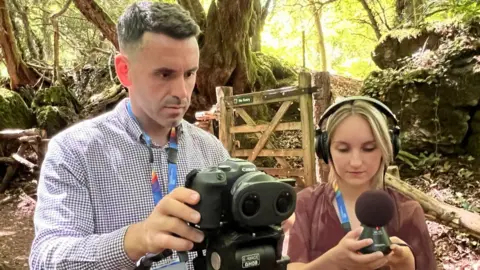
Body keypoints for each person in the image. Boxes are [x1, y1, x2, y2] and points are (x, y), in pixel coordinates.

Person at [29, 2, 230, 270]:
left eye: (190, 73)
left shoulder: (211, 151)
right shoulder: (73, 151)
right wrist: (136, 239)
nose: (182, 92)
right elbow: (46, 258)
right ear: (124, 70)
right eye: (164, 73)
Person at [285, 96, 437, 270]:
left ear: (387, 148)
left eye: (369, 148)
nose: (355, 162)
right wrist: (331, 262)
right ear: (325, 150)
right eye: (343, 149)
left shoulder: (408, 212)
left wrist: (406, 266)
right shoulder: (305, 204)